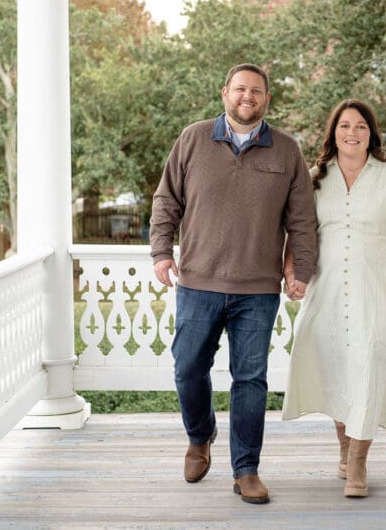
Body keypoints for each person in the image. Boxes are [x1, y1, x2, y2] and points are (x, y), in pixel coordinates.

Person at [150, 63, 318, 505]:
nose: (248, 97)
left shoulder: (287, 150)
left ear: (267, 98)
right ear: (225, 92)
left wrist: (301, 268)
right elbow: (167, 198)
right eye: (240, 89)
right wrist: (161, 251)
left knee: (250, 379)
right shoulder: (193, 138)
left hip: (258, 289)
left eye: (257, 91)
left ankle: (246, 469)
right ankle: (200, 436)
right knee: (187, 367)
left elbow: (302, 218)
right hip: (198, 282)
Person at [281, 98, 386, 498]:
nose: (352, 133)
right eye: (345, 126)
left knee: (368, 368)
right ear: (333, 133)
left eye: (360, 126)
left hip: (377, 291)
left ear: (370, 134)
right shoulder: (315, 178)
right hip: (326, 292)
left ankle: (358, 462)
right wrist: (293, 273)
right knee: (335, 369)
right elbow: (300, 231)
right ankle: (344, 448)